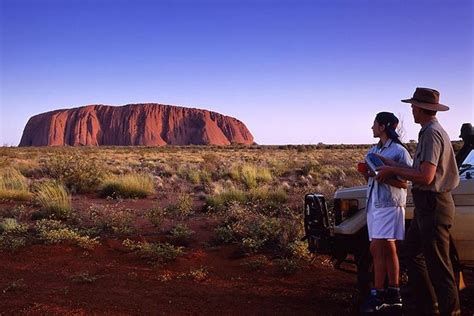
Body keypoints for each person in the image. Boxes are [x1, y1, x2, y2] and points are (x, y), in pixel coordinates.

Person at [376, 87, 461, 315]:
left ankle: (450, 311)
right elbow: (419, 170)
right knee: (412, 252)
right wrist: (389, 163)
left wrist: (393, 169)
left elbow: (426, 177)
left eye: (413, 106)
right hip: (426, 206)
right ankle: (429, 306)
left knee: (440, 268)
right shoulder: (427, 131)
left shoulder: (432, 133)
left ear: (422, 109)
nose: (411, 109)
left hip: (434, 205)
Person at [359, 112, 412, 313]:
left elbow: (405, 183)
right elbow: (374, 179)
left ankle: (378, 294)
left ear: (382, 126)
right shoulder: (374, 150)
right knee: (386, 249)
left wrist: (384, 177)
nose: (372, 127)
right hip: (375, 202)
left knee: (378, 249)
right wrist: (368, 175)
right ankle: (393, 293)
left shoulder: (399, 151)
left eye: (374, 123)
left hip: (390, 205)